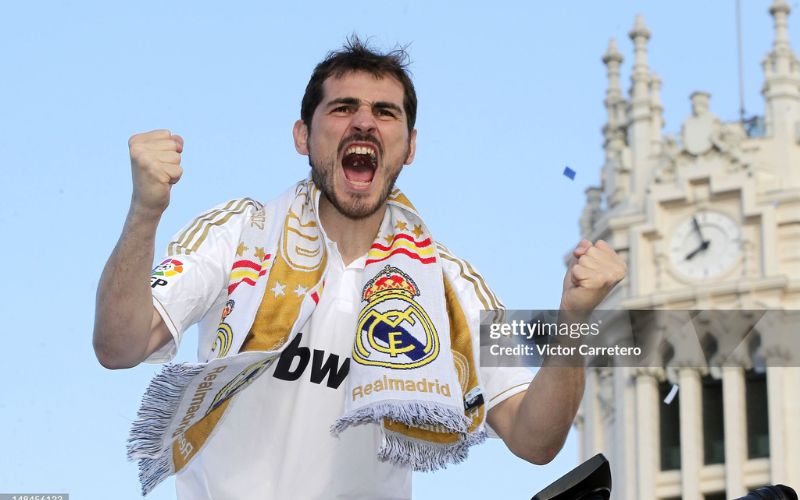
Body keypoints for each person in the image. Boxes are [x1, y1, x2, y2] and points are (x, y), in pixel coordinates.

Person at [93, 38, 627, 499]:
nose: (365, 122)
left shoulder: (449, 284)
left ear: (410, 147)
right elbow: (118, 346)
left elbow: (537, 440)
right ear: (303, 136)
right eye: (343, 107)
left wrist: (574, 320)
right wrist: (145, 211)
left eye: (385, 112)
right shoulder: (240, 233)